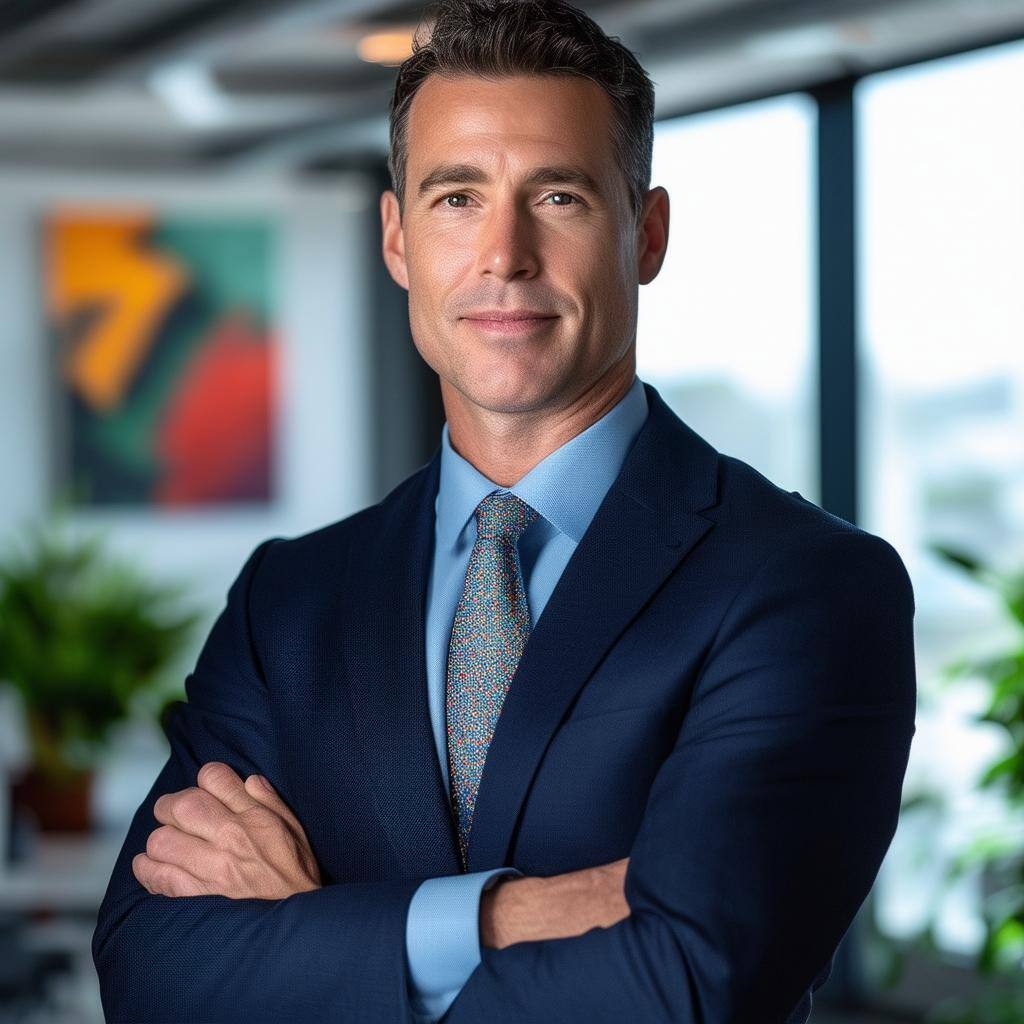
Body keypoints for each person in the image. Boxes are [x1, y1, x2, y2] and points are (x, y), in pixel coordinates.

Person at [91, 1, 918, 1021]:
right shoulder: (291, 601)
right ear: (397, 238)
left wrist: (318, 932)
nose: (503, 255)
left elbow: (692, 978)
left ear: (645, 233)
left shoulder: (803, 584)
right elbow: (150, 968)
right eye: (455, 199)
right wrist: (518, 914)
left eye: (559, 196)